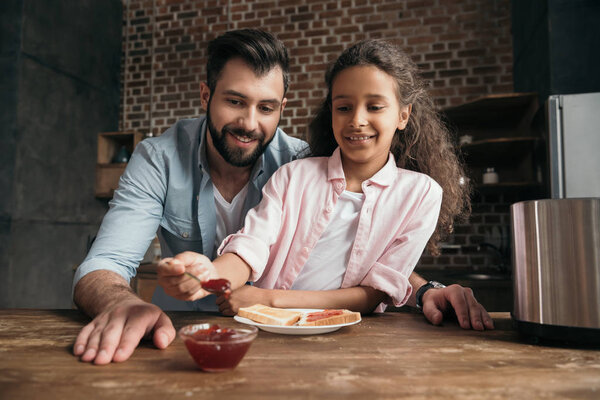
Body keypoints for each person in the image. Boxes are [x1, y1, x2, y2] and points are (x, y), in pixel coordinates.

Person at [72, 29, 493, 366]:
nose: (249, 123)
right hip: (176, 329)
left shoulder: (298, 160)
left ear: (283, 108)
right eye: (235, 101)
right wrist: (144, 296)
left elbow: (358, 260)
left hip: (295, 337)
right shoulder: (161, 158)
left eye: (266, 107)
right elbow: (109, 261)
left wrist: (421, 289)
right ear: (206, 96)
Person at [158, 39, 469, 316]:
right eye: (343, 107)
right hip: (268, 330)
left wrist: (268, 299)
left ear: (403, 115)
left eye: (374, 106)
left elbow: (375, 293)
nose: (357, 120)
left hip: (346, 336)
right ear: (330, 112)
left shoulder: (421, 193)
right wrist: (207, 277)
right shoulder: (294, 175)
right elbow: (251, 246)